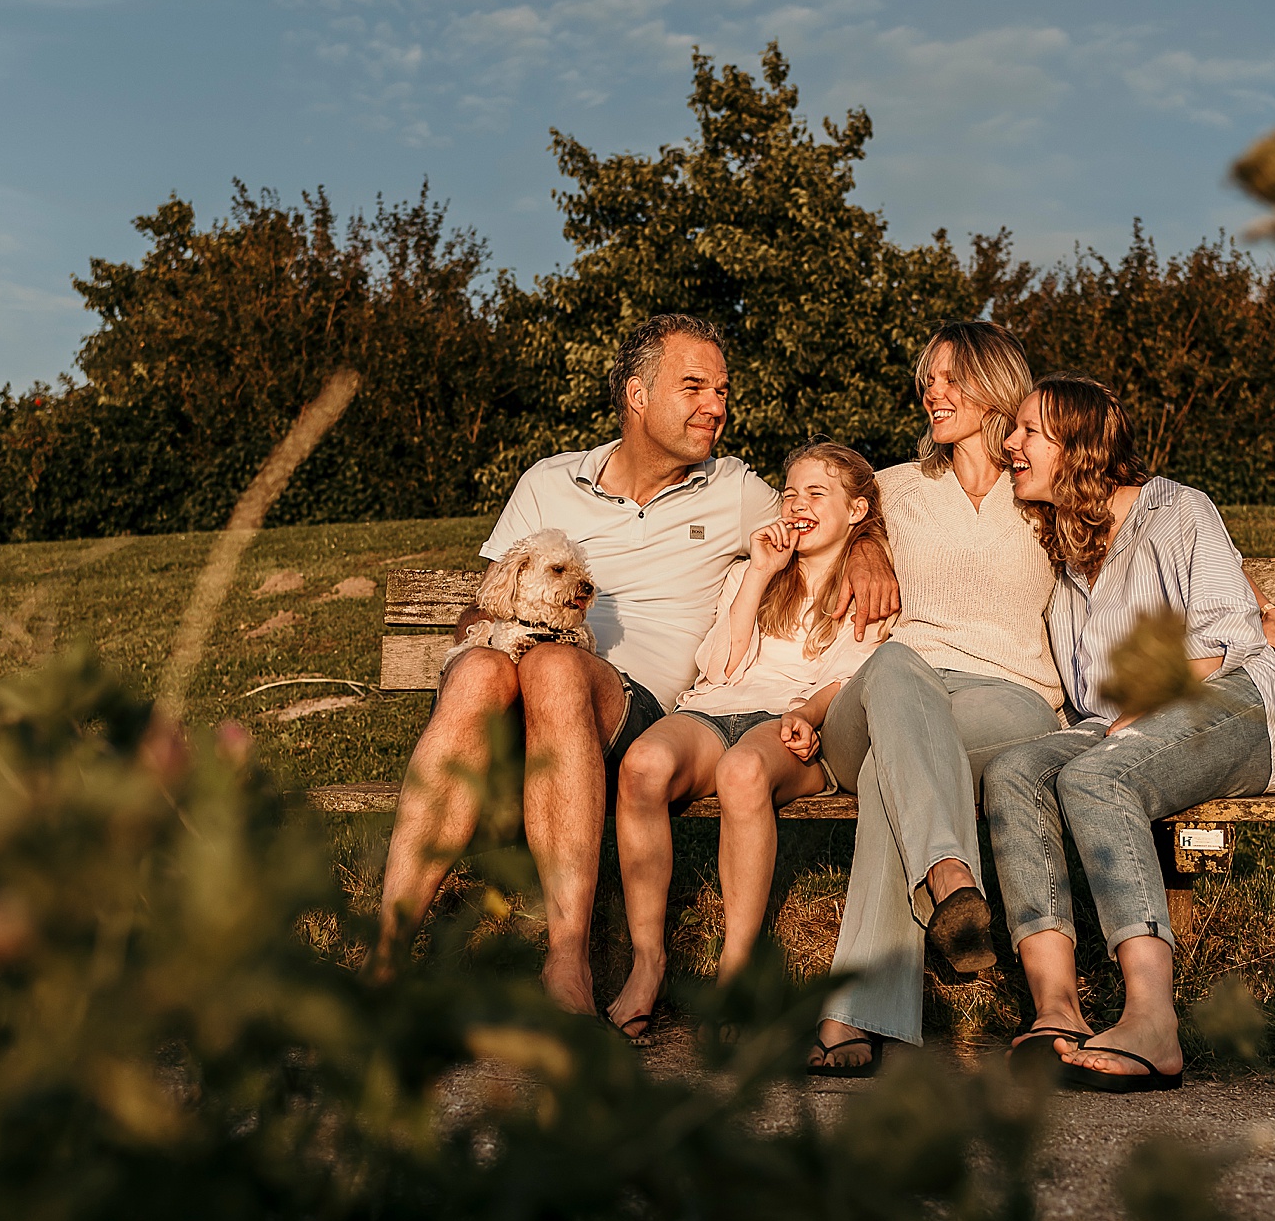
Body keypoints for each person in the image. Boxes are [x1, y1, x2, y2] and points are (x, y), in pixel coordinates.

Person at [372, 314, 900, 1014]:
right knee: (476, 669)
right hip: (510, 693)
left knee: (556, 670)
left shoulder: (735, 489)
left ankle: (568, 962)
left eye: (722, 388)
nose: (716, 404)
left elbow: (822, 518)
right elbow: (484, 604)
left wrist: (865, 547)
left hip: (630, 710)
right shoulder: (548, 482)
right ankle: (384, 956)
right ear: (637, 393)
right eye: (694, 387)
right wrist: (490, 635)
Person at [983, 375, 1275, 1093]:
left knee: (1097, 776)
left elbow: (1223, 641)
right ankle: (1056, 1009)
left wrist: (1268, 614)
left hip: (1235, 702)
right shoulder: (1059, 538)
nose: (1011, 443)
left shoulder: (1178, 509)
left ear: (1080, 446)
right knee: (1014, 771)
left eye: (1030, 431)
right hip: (1113, 722)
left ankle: (1153, 1021)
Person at [806, 322, 1068, 1075]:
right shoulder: (892, 488)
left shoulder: (1042, 492)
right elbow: (812, 519)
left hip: (1005, 702)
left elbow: (1152, 525)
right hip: (883, 698)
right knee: (894, 664)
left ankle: (852, 1011)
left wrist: (1262, 603)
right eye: (928, 377)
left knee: (899, 777)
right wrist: (860, 544)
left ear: (998, 388)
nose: (933, 390)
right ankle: (953, 873)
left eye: (952, 377)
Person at [607, 442, 892, 1041]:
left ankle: (736, 974)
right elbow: (720, 667)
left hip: (796, 722)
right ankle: (646, 962)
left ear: (858, 510)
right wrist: (760, 573)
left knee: (742, 772)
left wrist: (809, 715)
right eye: (789, 492)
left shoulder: (871, 583)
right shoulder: (752, 571)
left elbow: (854, 672)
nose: (797, 504)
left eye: (817, 493)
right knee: (643, 766)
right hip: (717, 709)